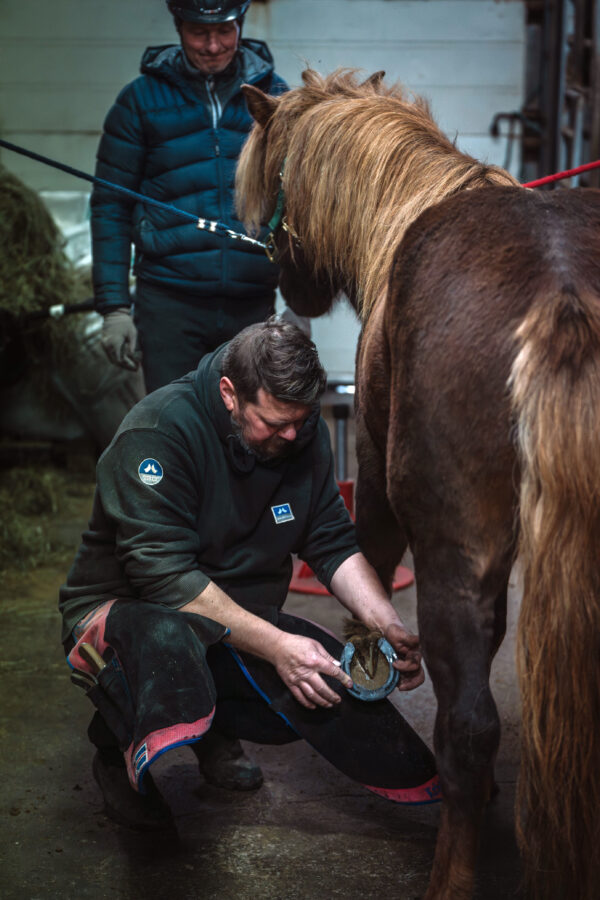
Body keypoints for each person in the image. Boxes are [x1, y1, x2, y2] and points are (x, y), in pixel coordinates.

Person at [59, 319, 438, 831]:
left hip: (232, 614)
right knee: (169, 645)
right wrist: (277, 646)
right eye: (275, 421)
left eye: (300, 421)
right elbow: (163, 577)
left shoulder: (299, 433)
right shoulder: (158, 431)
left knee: (326, 685)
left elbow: (330, 540)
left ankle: (216, 729)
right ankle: (114, 753)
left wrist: (384, 621)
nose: (291, 434)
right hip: (129, 613)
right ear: (229, 394)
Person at [92, 0, 288, 393]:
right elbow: (111, 205)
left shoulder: (276, 99)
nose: (213, 45)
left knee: (247, 433)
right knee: (175, 428)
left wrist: (300, 302)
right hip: (168, 306)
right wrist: (114, 308)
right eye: (199, 32)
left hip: (251, 304)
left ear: (240, 27)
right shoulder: (140, 102)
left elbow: (298, 203)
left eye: (224, 32)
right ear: (179, 29)